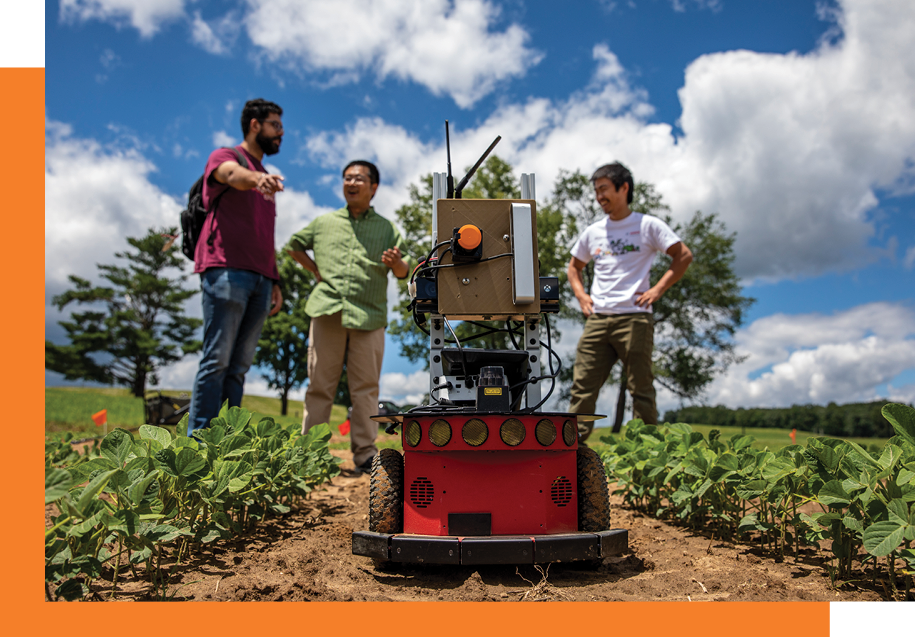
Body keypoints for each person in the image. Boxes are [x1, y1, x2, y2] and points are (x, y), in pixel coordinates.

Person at [286, 160, 411, 472]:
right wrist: (314, 270)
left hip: (369, 316)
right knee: (319, 386)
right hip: (326, 310)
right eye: (347, 178)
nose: (351, 182)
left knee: (366, 388)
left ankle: (365, 454)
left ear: (373, 187)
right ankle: (310, 455)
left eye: (358, 178)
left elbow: (405, 270)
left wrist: (395, 262)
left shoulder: (387, 228)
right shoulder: (324, 222)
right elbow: (294, 246)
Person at [567, 162, 693, 441]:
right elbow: (574, 267)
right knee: (582, 386)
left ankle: (647, 456)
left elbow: (683, 255)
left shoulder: (647, 226)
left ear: (624, 188)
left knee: (641, 389)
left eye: (604, 189)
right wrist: (581, 295)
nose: (599, 196)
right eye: (596, 191)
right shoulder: (593, 232)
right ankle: (571, 450)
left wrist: (658, 290)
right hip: (598, 318)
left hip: (634, 318)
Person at [188, 98, 286, 434]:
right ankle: (198, 441)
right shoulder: (226, 157)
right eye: (275, 125)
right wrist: (257, 180)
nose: (281, 132)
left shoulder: (265, 178)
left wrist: (276, 281)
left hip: (261, 279)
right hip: (226, 270)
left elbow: (264, 235)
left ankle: (226, 441)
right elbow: (231, 175)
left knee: (239, 367)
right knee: (216, 360)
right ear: (255, 125)